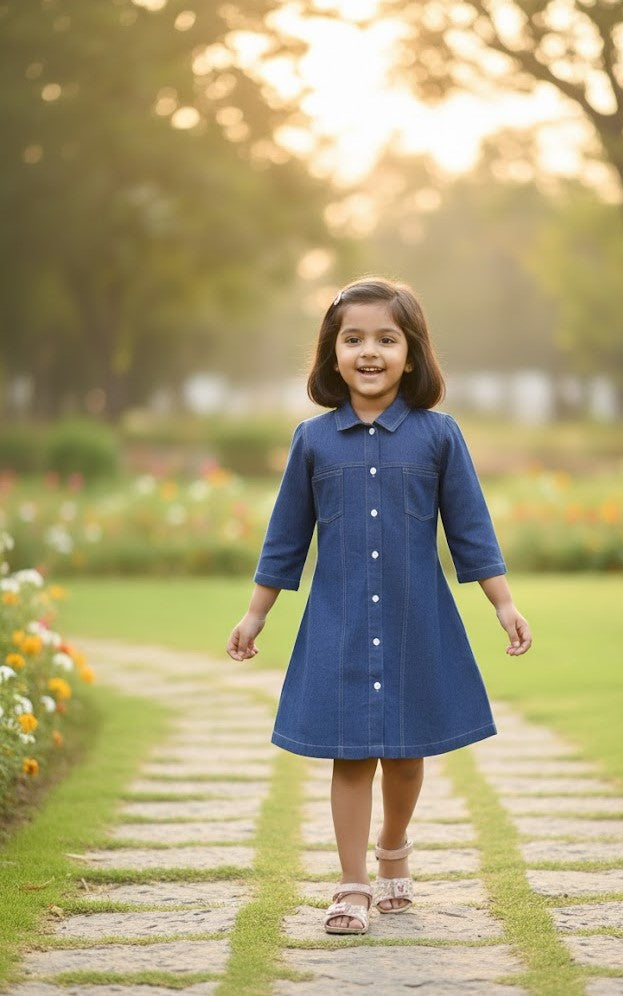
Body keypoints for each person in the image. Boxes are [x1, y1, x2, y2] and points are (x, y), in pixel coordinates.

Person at [226, 277, 531, 935]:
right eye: (353, 338)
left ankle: (393, 845)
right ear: (331, 354)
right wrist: (256, 613)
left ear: (411, 354)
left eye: (385, 339)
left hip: (413, 621)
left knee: (404, 751)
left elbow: (469, 528)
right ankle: (351, 884)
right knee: (350, 751)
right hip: (339, 625)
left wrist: (502, 604)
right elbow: (285, 538)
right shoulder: (312, 441)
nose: (369, 351)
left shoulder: (438, 436)